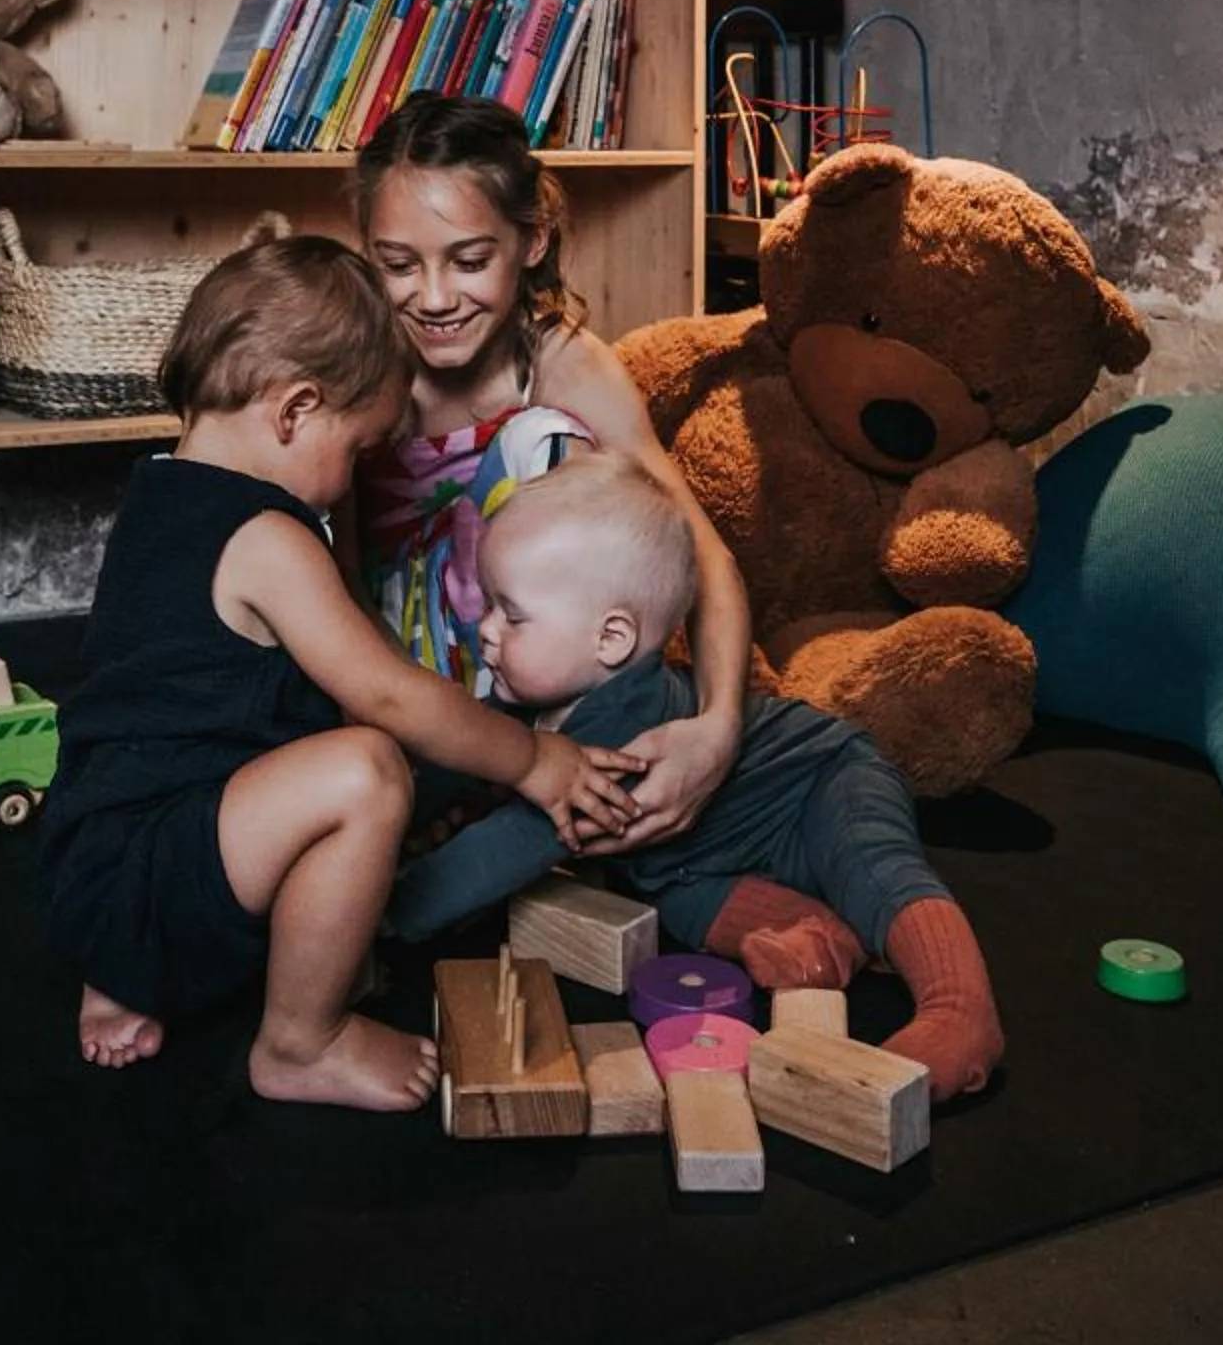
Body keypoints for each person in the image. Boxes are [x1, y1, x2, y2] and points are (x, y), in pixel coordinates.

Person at [34, 235, 644, 1112]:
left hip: (94, 864)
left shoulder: (161, 493)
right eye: (357, 452)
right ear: (294, 411)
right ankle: (300, 1043)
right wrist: (533, 760)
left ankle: (127, 974)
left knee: (302, 751)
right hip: (147, 874)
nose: (350, 483)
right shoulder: (269, 538)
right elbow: (388, 694)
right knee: (364, 770)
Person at [352, 91, 860, 988]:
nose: (432, 298)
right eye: (398, 263)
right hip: (396, 684)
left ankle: (540, 798)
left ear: (531, 243)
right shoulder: (358, 358)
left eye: (469, 260)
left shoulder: (562, 360)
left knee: (557, 464)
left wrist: (717, 730)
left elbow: (699, 551)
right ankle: (464, 824)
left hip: (534, 667)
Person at [384, 451, 1005, 1098]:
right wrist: (396, 814)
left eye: (510, 616)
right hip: (711, 852)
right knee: (680, 894)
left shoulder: (620, 725)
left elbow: (510, 845)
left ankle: (960, 1009)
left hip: (818, 779)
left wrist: (391, 909)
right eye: (487, 606)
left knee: (871, 866)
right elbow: (470, 752)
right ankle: (818, 935)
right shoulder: (542, 696)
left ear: (612, 639)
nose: (484, 633)